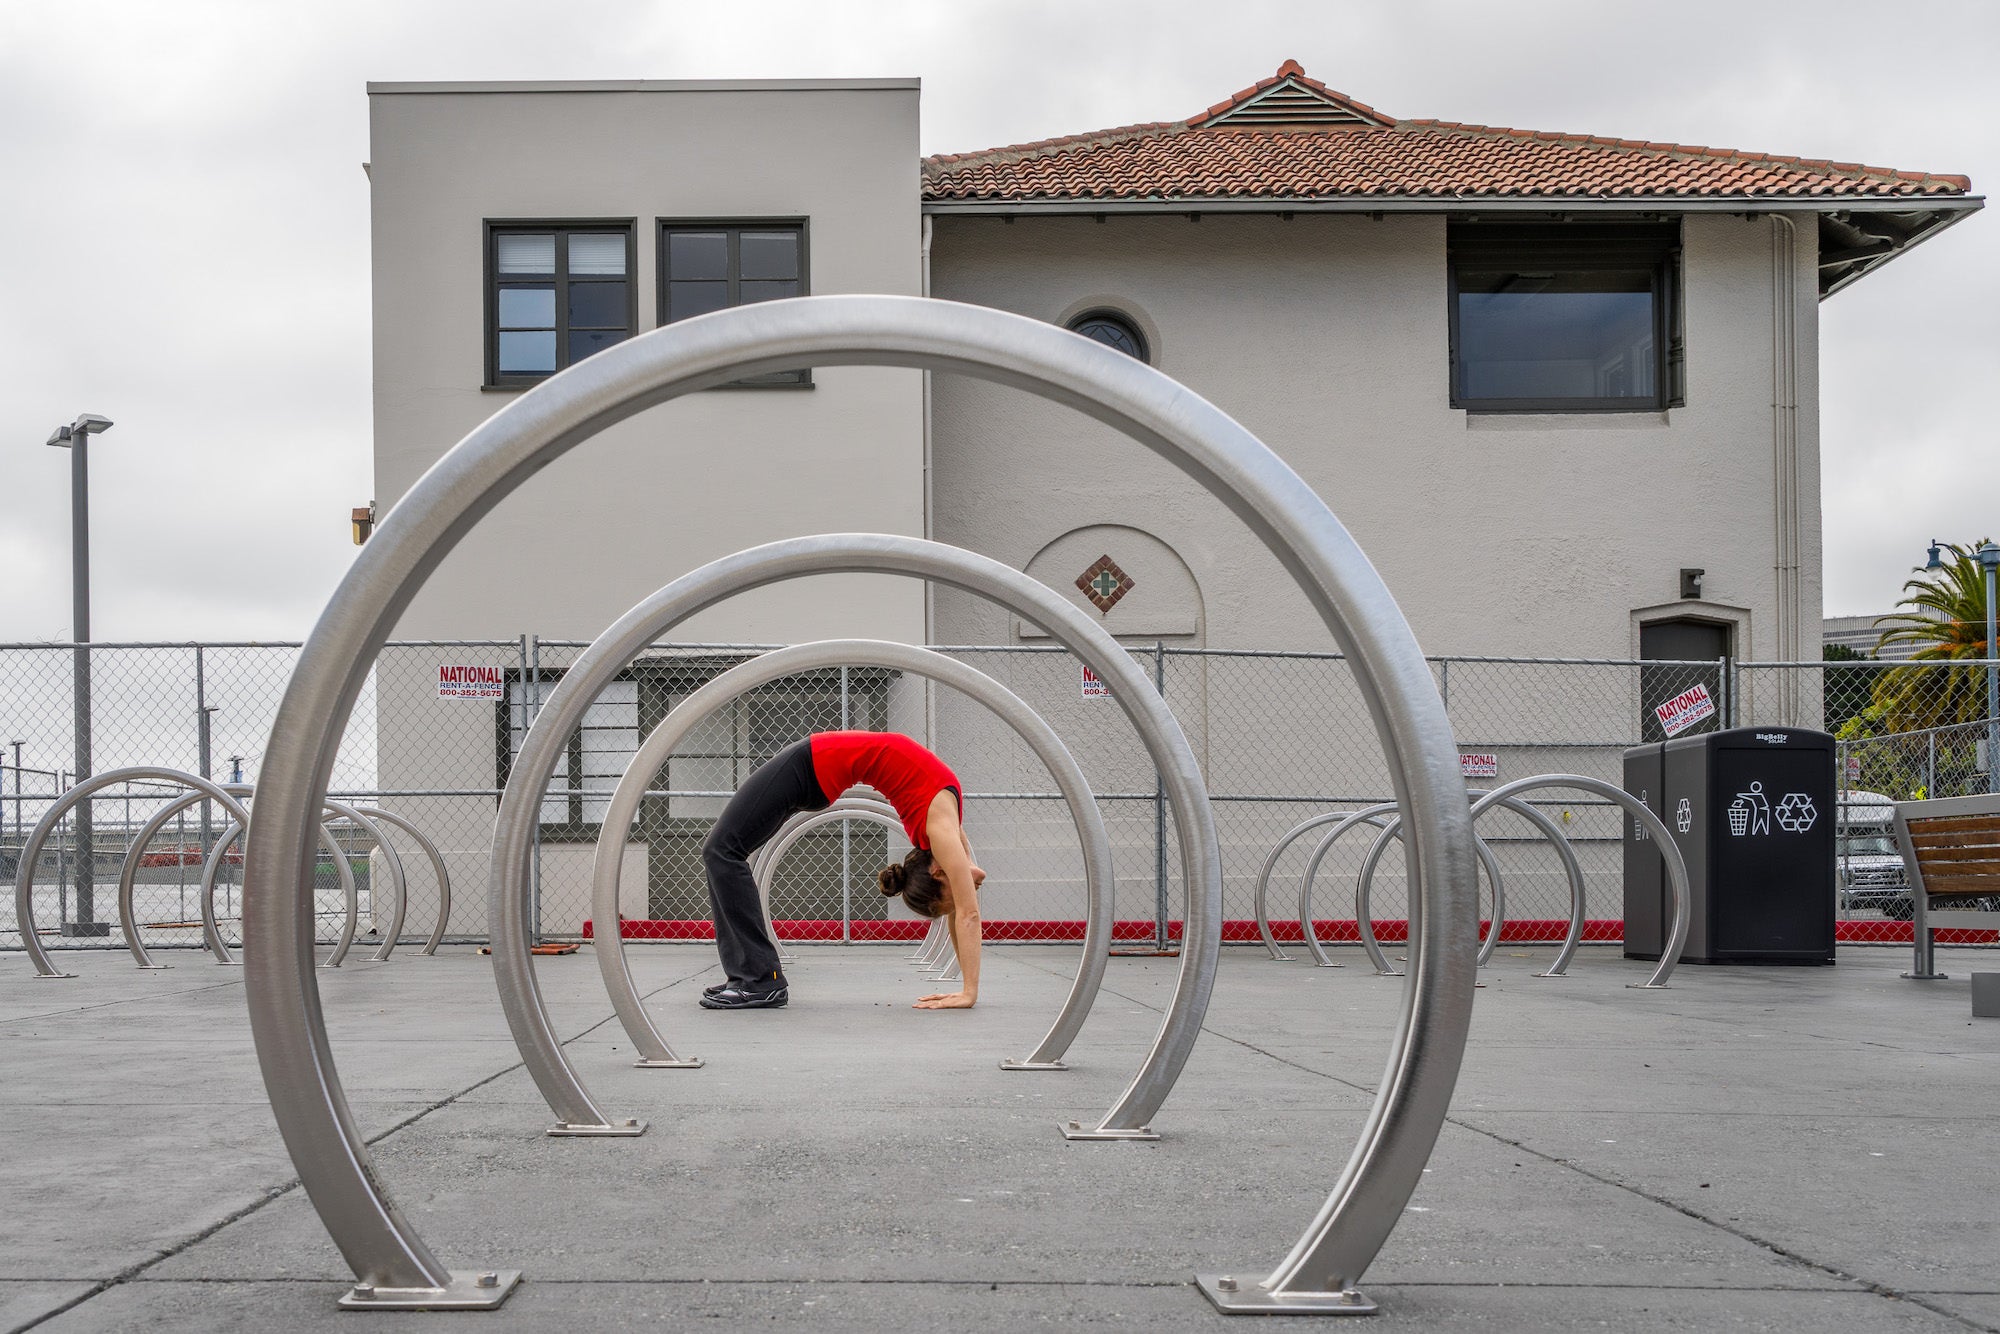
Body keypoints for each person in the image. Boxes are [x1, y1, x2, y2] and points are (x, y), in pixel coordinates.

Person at [698, 730, 985, 1011]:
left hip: (812, 768)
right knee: (722, 850)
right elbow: (967, 912)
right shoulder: (941, 830)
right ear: (937, 873)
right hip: (810, 766)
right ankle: (755, 978)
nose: (964, 890)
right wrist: (969, 992)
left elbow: (964, 907)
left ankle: (757, 979)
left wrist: (967, 989)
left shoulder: (944, 824)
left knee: (722, 850)